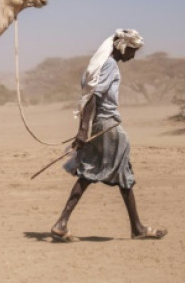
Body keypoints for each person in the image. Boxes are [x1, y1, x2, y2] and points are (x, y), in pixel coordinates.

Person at [50, 29, 167, 242]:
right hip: (108, 126)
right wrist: (83, 130)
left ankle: (62, 223)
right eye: (132, 50)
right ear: (122, 46)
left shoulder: (101, 64)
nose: (132, 56)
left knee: (89, 173)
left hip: (101, 125)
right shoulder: (110, 65)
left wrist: (85, 129)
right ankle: (137, 228)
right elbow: (93, 96)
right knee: (123, 175)